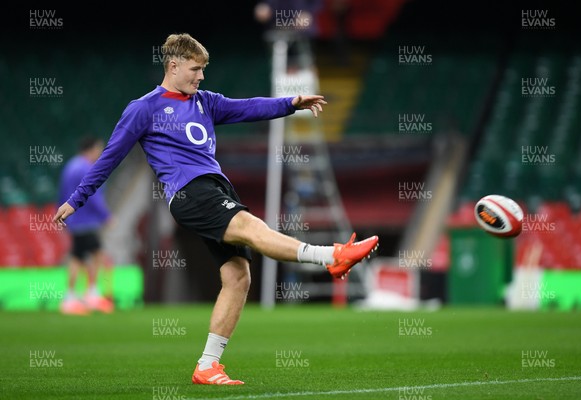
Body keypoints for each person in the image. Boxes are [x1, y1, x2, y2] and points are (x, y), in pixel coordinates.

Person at [54, 33, 378, 385]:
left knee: (238, 277)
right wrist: (77, 199)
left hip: (216, 187)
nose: (201, 77)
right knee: (253, 228)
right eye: (196, 69)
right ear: (173, 66)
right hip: (190, 193)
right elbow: (109, 158)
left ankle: (207, 365)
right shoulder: (143, 108)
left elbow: (248, 107)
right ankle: (331, 256)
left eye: (203, 70)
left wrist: (291, 103)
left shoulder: (205, 102)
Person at [58, 136, 114, 315]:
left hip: (75, 220)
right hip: (85, 221)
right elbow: (92, 195)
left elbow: (62, 194)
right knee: (92, 255)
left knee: (80, 256)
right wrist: (106, 216)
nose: (100, 152)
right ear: (91, 148)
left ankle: (80, 295)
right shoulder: (85, 168)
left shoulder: (70, 166)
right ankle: (84, 294)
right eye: (99, 148)